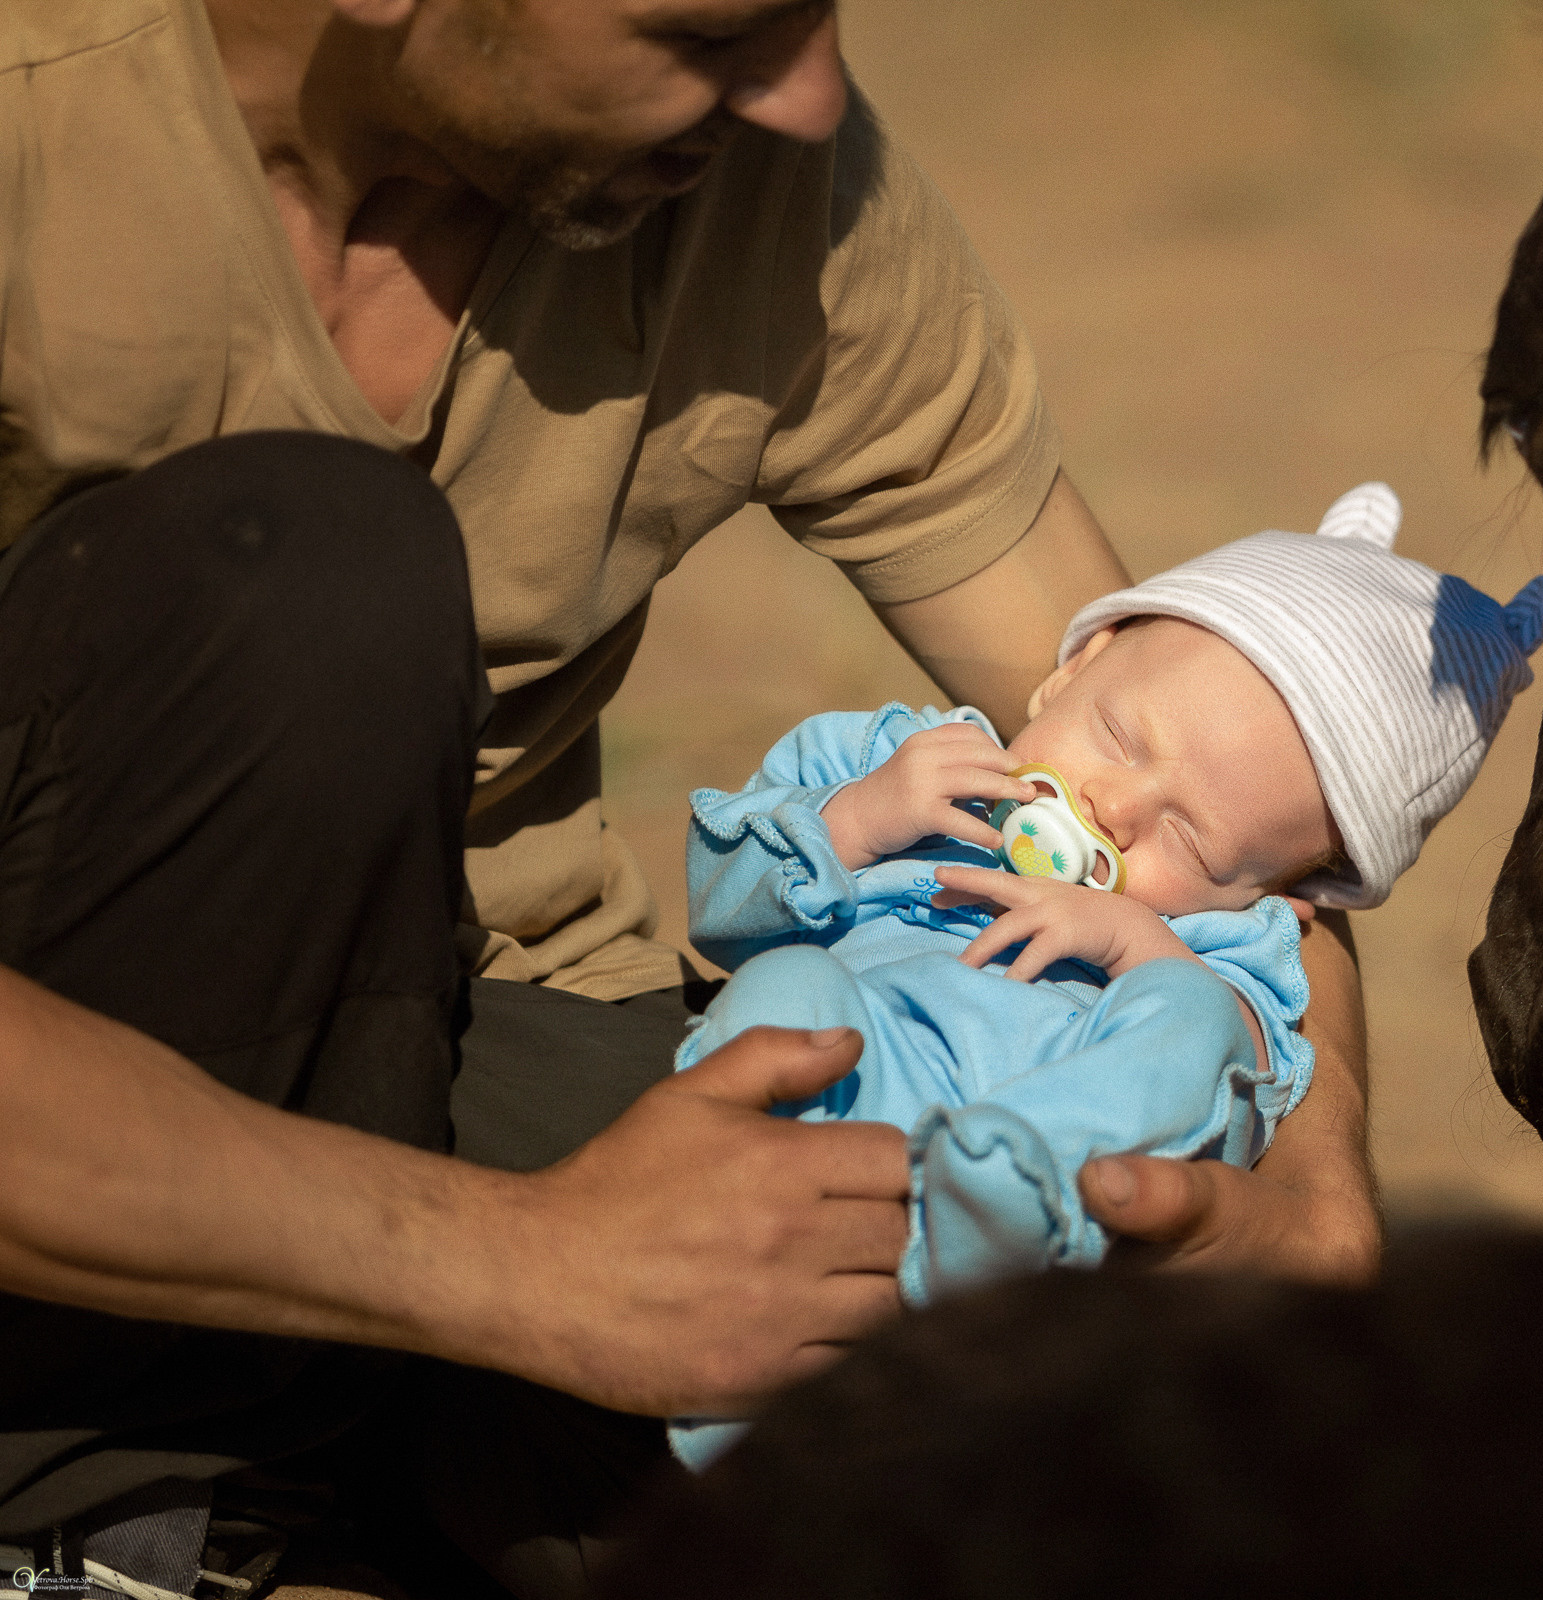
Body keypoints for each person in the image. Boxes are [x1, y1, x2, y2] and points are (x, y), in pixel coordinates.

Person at [0, 0, 1374, 1593]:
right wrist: (521, 1271)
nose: (810, 95)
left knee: (937, 1484)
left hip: (463, 1009)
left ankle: (328, 1456)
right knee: (318, 586)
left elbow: (1221, 739)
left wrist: (1317, 1186)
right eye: (712, 26)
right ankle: (95, 1509)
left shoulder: (764, 185)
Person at [661, 484, 1543, 1468]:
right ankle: (718, 1365)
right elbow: (720, 910)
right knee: (788, 986)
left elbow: (1247, 1091)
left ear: (1294, 893)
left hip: (1036, 1174)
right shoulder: (903, 761)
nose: (1120, 805)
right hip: (832, 1089)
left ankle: (1010, 1195)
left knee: (1192, 1020)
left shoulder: (1222, 944)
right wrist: (857, 820)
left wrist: (1136, 942)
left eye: (1190, 833)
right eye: (1124, 738)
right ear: (1074, 668)